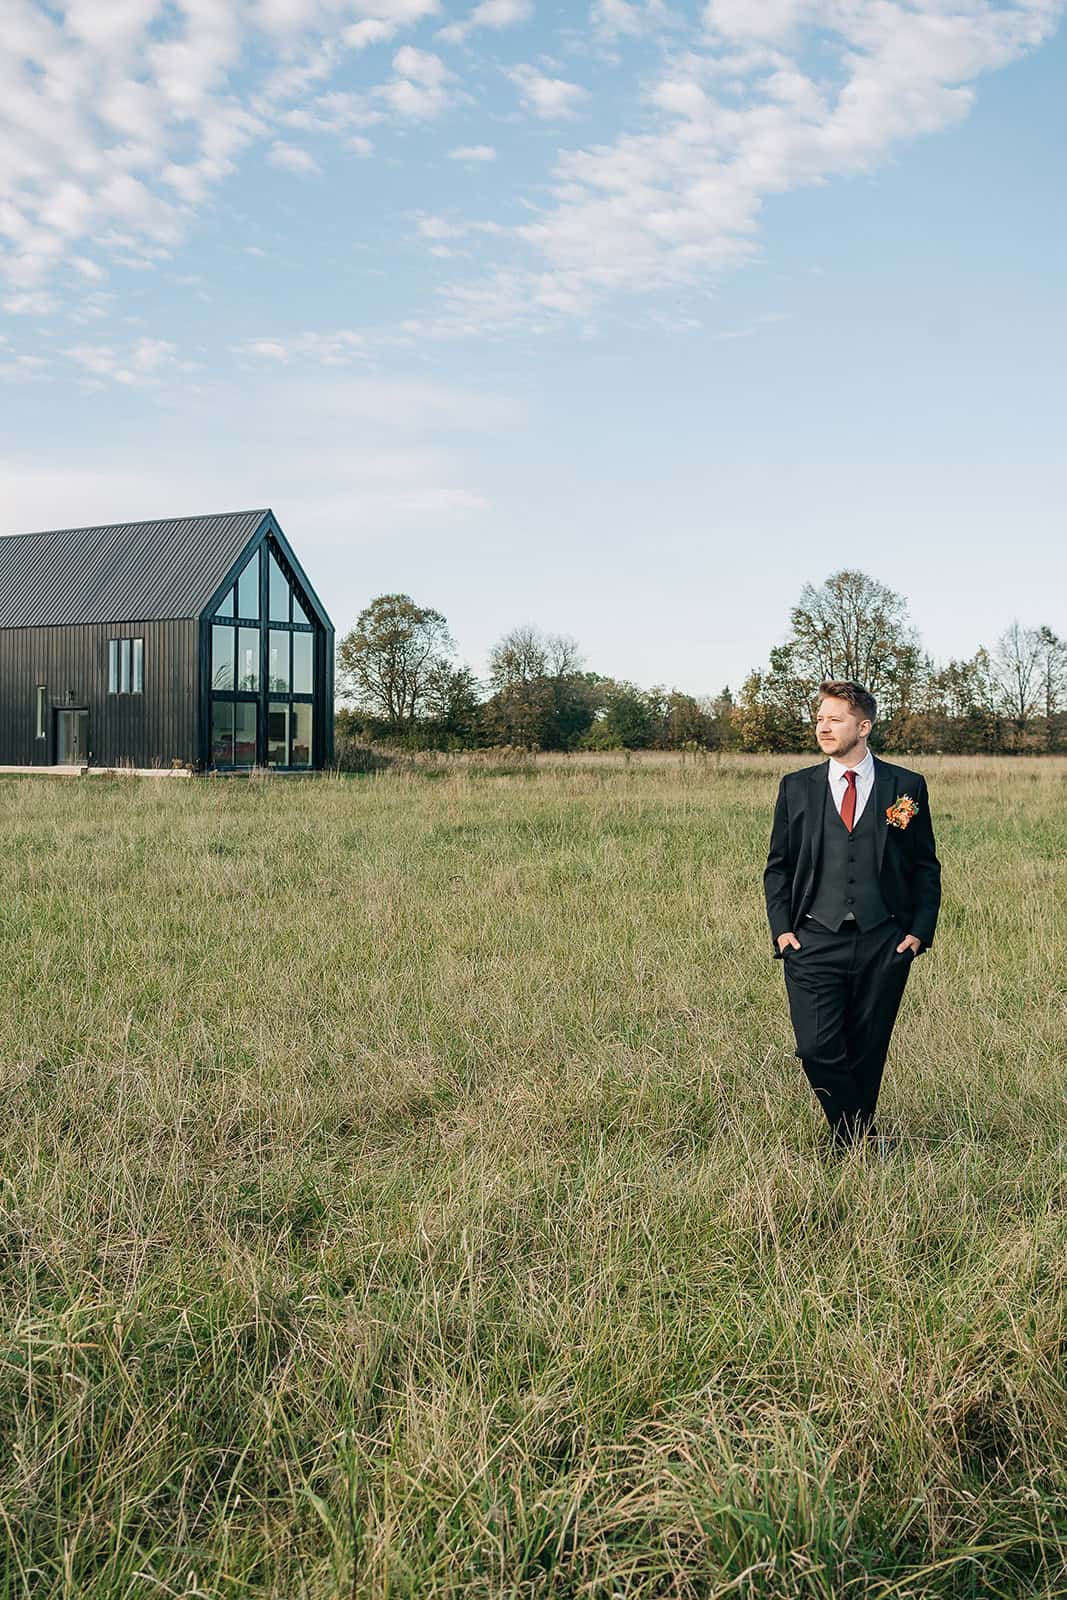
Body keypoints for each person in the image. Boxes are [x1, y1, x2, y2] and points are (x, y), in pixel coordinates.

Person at [763, 681, 941, 1153]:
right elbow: (778, 866)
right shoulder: (796, 787)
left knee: (868, 1047)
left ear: (863, 727)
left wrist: (918, 932)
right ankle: (861, 1137)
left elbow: (925, 865)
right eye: (820, 718)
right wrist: (782, 931)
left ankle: (851, 1151)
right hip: (812, 937)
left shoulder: (906, 787)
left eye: (835, 719)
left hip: (884, 938)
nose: (823, 727)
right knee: (816, 1048)